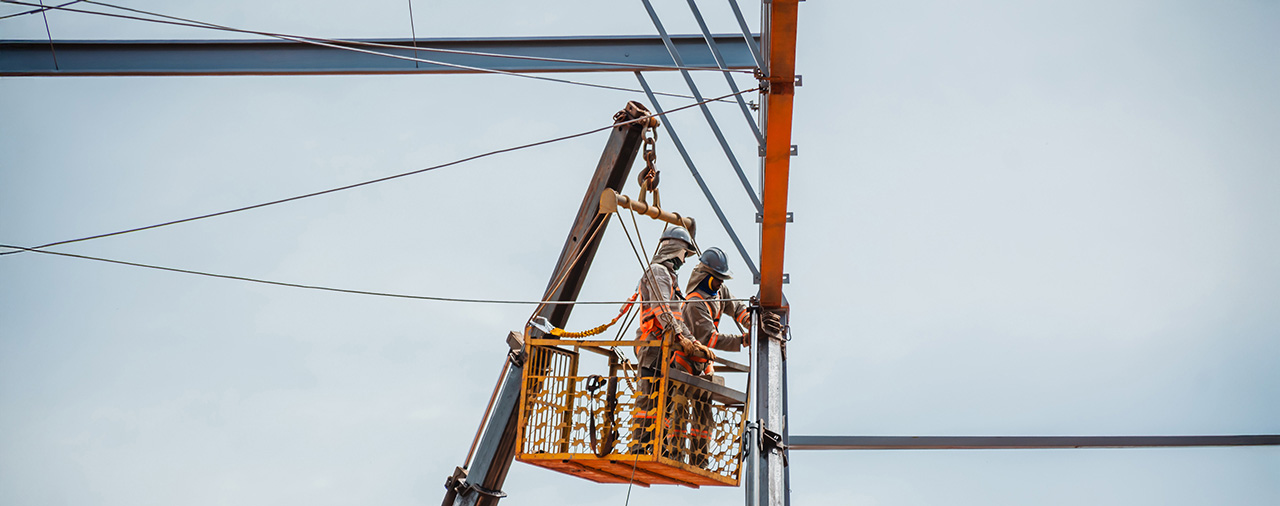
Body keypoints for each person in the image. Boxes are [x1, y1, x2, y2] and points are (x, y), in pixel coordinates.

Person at [629, 226, 711, 455]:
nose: (685, 261)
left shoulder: (669, 277)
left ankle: (658, 448)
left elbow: (677, 317)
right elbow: (662, 309)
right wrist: (679, 337)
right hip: (652, 347)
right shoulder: (658, 272)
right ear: (676, 250)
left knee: (662, 403)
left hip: (663, 348)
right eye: (685, 254)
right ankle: (640, 449)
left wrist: (694, 343)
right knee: (648, 403)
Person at [678, 247, 751, 468]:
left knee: (703, 418)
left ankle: (699, 460)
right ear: (706, 276)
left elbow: (735, 306)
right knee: (680, 415)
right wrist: (742, 341)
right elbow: (710, 339)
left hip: (704, 365)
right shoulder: (694, 303)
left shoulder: (718, 292)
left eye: (722, 279)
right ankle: (675, 456)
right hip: (684, 363)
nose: (720, 283)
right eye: (717, 279)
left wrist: (750, 321)